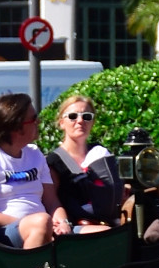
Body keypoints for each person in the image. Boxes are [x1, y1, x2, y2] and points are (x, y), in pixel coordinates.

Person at [0, 94, 71, 248]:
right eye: (34, 119)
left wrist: (63, 223)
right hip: (4, 235)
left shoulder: (35, 154)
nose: (38, 122)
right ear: (16, 127)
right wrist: (29, 222)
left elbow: (52, 202)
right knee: (41, 222)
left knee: (103, 233)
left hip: (44, 225)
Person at [47, 96, 121, 231]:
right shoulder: (53, 161)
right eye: (73, 116)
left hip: (111, 221)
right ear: (62, 122)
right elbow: (51, 202)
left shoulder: (100, 153)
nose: (80, 121)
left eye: (87, 116)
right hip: (77, 227)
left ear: (93, 122)